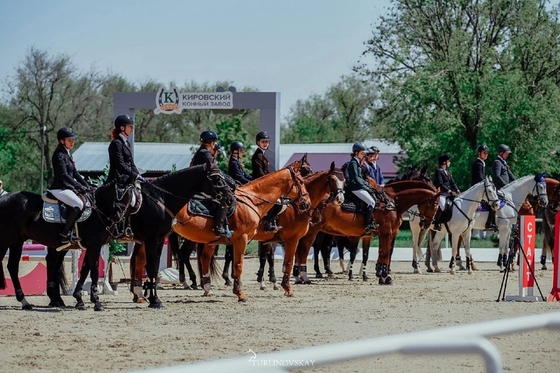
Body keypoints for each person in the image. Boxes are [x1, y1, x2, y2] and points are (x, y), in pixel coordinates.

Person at [48, 127, 91, 243]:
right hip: (59, 188)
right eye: (69, 140)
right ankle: (64, 233)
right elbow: (64, 175)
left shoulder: (68, 154)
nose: (72, 142)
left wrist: (87, 186)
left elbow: (75, 173)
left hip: (67, 187)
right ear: (62, 141)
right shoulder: (59, 155)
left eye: (73, 140)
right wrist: (78, 186)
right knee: (78, 204)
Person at [190, 130, 228, 237]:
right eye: (214, 142)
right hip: (201, 186)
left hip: (199, 184)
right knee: (224, 199)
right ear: (211, 142)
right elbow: (214, 171)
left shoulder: (200, 152)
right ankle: (219, 227)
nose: (215, 145)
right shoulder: (205, 153)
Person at [252, 131, 282, 233]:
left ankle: (272, 222)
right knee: (276, 202)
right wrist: (271, 181)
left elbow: (266, 172)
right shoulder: (258, 155)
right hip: (259, 185)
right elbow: (260, 173)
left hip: (263, 183)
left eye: (267, 142)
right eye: (263, 141)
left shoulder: (263, 155)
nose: (265, 143)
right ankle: (267, 223)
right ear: (258, 142)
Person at [345, 142, 379, 234]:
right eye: (362, 153)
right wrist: (366, 187)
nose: (364, 155)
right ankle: (368, 224)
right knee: (371, 202)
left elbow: (360, 178)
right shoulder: (353, 162)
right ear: (356, 153)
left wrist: (368, 186)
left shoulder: (357, 162)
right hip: (354, 187)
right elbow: (356, 178)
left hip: (358, 186)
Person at [471, 144, 496, 230]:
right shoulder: (478, 164)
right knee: (492, 202)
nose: (486, 154)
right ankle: (489, 223)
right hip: (478, 189)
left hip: (480, 187)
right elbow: (480, 178)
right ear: (479, 153)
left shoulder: (481, 163)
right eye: (484, 153)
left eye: (487, 153)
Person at [433, 154, 460, 230]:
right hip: (442, 193)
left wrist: (457, 190)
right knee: (442, 205)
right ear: (444, 162)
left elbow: (452, 182)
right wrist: (449, 190)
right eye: (448, 161)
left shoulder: (447, 171)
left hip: (449, 193)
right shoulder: (439, 171)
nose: (449, 162)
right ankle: (436, 222)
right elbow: (440, 183)